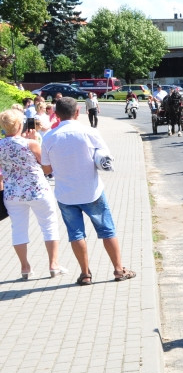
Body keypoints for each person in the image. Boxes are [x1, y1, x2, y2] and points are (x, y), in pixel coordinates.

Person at [40, 97, 135, 286]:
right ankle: (118, 269)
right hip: (92, 191)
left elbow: (47, 170)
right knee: (107, 230)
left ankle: (85, 274)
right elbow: (105, 158)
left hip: (66, 194)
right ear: (78, 112)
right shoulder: (89, 132)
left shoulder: (49, 137)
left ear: (56, 115)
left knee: (76, 234)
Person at [0, 109, 64, 280]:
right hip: (37, 190)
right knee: (49, 225)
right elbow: (46, 167)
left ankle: (25, 267)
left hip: (12, 193)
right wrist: (34, 141)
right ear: (20, 125)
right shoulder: (30, 144)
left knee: (18, 229)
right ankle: (53, 264)